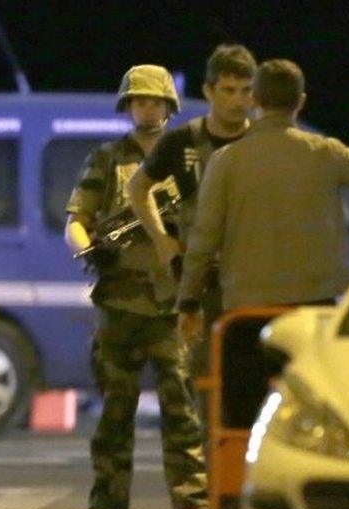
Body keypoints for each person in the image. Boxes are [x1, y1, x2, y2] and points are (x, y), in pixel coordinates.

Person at [65, 64, 208, 509]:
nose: (147, 108)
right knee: (114, 411)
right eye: (139, 100)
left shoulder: (189, 159)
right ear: (128, 105)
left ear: (170, 105)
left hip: (172, 303)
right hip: (121, 302)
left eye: (155, 100)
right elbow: (78, 216)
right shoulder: (107, 158)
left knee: (182, 410)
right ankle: (106, 503)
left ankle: (194, 501)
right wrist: (87, 247)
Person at [176, 58, 349, 344]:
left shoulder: (225, 161)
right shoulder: (324, 152)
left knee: (247, 387)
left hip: (247, 308)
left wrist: (188, 302)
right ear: (300, 101)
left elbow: (203, 238)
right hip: (314, 305)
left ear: (254, 99)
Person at [127, 44, 257, 376]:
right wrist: (160, 239)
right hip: (201, 280)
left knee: (250, 371)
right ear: (209, 91)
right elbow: (138, 189)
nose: (238, 100)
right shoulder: (182, 141)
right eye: (228, 90)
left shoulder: (262, 142)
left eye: (246, 91)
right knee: (203, 373)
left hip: (254, 276)